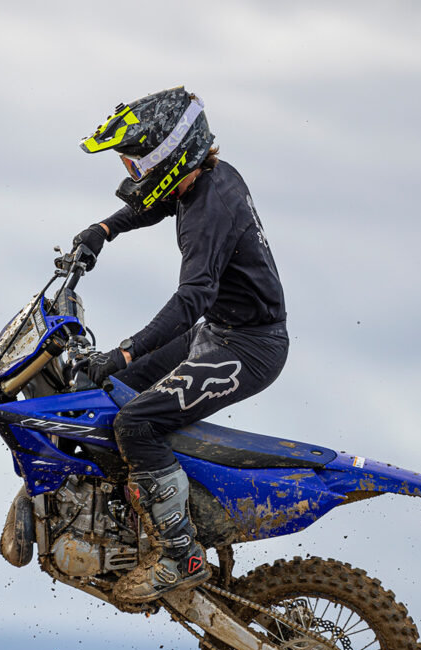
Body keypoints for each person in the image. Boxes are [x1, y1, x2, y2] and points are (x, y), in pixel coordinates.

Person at [74, 86, 289, 604]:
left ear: (169, 160)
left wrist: (126, 351)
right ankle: (131, 513)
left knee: (135, 422)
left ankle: (180, 555)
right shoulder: (208, 178)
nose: (131, 173)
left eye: (135, 163)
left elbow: (192, 299)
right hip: (220, 331)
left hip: (247, 349)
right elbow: (158, 203)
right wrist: (106, 228)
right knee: (102, 389)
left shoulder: (209, 211)